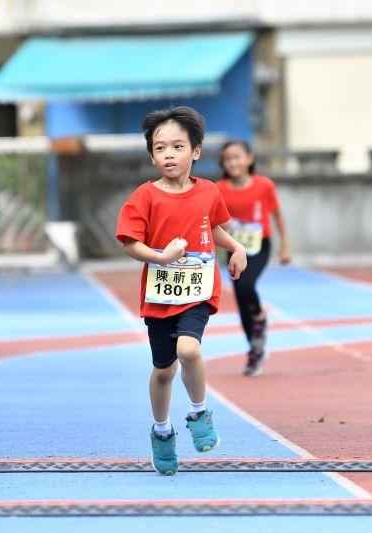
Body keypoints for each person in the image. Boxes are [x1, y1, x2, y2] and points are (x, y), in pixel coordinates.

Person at [115, 106, 247, 475]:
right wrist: (160, 256)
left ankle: (199, 411)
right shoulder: (144, 196)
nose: (168, 154)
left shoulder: (208, 191)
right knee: (163, 371)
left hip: (198, 289)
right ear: (151, 155)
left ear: (196, 151)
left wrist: (235, 248)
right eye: (160, 148)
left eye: (177, 146)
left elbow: (212, 229)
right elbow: (130, 243)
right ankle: (161, 431)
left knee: (188, 349)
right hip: (160, 296)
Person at [216, 140, 290, 376]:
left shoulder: (264, 185)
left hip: (259, 246)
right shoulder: (219, 188)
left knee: (247, 285)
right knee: (240, 296)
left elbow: (277, 214)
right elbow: (214, 219)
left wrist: (285, 246)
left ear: (249, 159)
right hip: (234, 247)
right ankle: (255, 347)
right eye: (228, 158)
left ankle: (259, 313)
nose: (233, 162)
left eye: (237, 157)